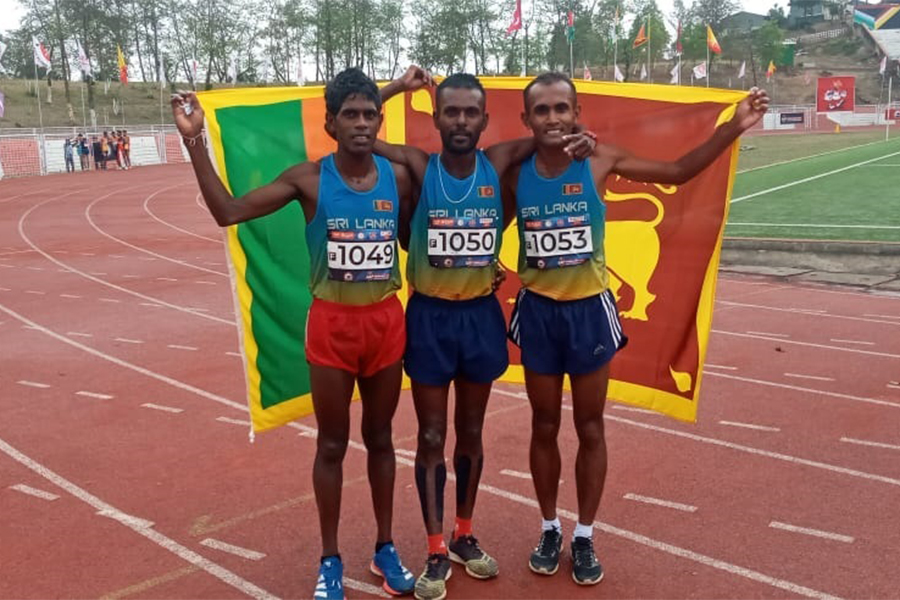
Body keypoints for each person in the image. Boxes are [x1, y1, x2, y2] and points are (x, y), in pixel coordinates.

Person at [503, 72, 769, 586]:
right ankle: (549, 526)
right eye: (542, 111)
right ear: (527, 120)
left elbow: (678, 169)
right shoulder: (516, 171)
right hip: (538, 311)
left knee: (590, 426)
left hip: (588, 313)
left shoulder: (599, 160)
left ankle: (583, 535)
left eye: (562, 109)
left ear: (577, 113)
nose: (554, 118)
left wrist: (733, 128)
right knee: (543, 426)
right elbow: (490, 221)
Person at [172, 67, 417, 600]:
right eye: (348, 115)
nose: (359, 123)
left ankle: (384, 547)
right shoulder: (308, 179)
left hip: (385, 323)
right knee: (331, 444)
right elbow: (228, 212)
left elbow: (421, 236)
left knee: (380, 439)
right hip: (332, 327)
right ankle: (330, 560)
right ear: (329, 124)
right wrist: (194, 140)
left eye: (369, 114)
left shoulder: (398, 180)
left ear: (380, 120)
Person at [375, 67, 595, 600]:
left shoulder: (497, 165)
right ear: (436, 117)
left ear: (484, 120)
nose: (460, 121)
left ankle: (463, 536)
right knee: (431, 436)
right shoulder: (417, 165)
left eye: (471, 112)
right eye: (451, 111)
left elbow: (549, 135)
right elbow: (351, 128)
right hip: (429, 316)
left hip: (480, 316)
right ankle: (432, 547)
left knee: (471, 433)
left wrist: (586, 139)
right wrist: (394, 89)